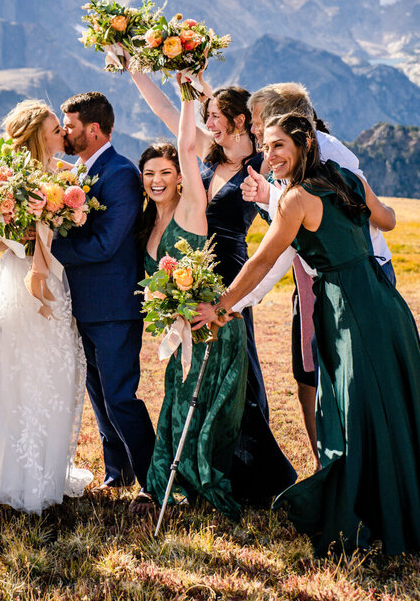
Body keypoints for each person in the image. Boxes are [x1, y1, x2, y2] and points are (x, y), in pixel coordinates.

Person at [193, 113, 420, 556]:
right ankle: (408, 511)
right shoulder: (344, 179)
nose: (269, 155)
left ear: (303, 146)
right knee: (385, 408)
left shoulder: (295, 199)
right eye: (265, 145)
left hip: (348, 309)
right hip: (384, 302)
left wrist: (221, 305)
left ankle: (374, 514)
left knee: (359, 413)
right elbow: (388, 220)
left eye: (279, 146)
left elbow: (259, 261)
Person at [127, 70, 297, 506]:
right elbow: (168, 113)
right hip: (191, 263)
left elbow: (281, 217)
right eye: (206, 116)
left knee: (236, 374)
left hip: (230, 272)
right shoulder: (208, 152)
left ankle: (247, 469)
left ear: (241, 121)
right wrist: (137, 72)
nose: (210, 124)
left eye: (216, 117)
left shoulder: (261, 164)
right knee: (190, 371)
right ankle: (190, 463)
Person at [241, 83, 394, 464]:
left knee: (345, 379)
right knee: (311, 375)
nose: (255, 132)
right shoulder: (297, 167)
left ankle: (348, 465)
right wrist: (269, 198)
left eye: (260, 123)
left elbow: (305, 226)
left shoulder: (324, 165)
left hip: (349, 279)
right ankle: (332, 463)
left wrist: (233, 301)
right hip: (320, 277)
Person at [137, 86, 250, 518]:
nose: (157, 181)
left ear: (182, 176)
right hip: (181, 330)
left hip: (212, 327)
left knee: (197, 407)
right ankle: (163, 483)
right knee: (175, 401)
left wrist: (188, 90)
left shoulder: (191, 209)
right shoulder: (150, 222)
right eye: (148, 173)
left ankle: (185, 483)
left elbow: (186, 142)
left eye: (165, 172)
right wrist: (136, 69)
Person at [0, 100, 93, 512]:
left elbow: (77, 225)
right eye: (54, 128)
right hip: (17, 283)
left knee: (55, 371)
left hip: (55, 282)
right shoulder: (6, 181)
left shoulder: (68, 180)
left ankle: (48, 472)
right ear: (36, 135)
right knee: (17, 372)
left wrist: (59, 221)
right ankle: (12, 474)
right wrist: (24, 234)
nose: (62, 134)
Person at [49, 92, 155, 499]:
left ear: (94, 130)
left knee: (119, 395)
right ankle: (119, 471)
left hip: (114, 306)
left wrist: (45, 247)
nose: (65, 134)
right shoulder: (78, 171)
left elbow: (107, 244)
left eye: (71, 127)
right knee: (99, 393)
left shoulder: (120, 174)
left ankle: (153, 478)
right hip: (85, 304)